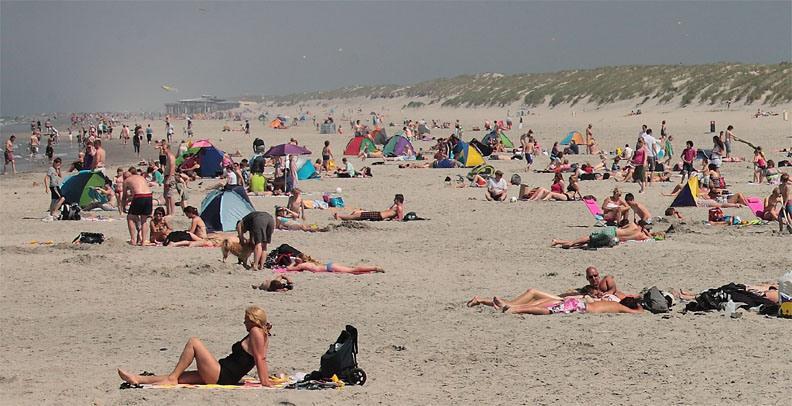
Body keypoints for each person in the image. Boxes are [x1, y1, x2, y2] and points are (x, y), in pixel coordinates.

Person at [117, 306, 273, 387]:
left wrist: (264, 381)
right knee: (181, 378)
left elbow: (260, 358)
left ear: (254, 320)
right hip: (222, 373)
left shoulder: (255, 332)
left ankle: (171, 378)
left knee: (194, 342)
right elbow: (259, 356)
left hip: (223, 375)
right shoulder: (261, 332)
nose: (244, 322)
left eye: (246, 319)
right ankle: (137, 378)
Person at [550, 219, 654, 249]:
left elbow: (620, 228)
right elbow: (651, 238)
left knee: (589, 238)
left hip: (612, 231)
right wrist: (645, 232)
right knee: (589, 242)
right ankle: (561, 242)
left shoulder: (632, 224)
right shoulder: (641, 235)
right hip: (613, 239)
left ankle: (569, 243)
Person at [496, 296, 644, 315]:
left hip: (579, 303)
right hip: (580, 307)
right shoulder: (620, 308)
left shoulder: (612, 302)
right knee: (547, 311)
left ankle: (511, 306)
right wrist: (639, 305)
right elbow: (640, 313)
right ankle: (514, 309)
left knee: (548, 305)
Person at [121, 167, 153, 246]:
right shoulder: (141, 177)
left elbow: (124, 196)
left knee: (130, 217)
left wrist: (123, 206)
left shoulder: (126, 181)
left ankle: (133, 240)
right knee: (144, 219)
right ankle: (144, 241)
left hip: (139, 196)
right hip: (149, 196)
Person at [282, 254, 384, 274]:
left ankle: (374, 268)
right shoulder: (308, 263)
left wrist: (293, 263)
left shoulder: (302, 265)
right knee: (352, 271)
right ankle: (370, 271)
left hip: (330, 268)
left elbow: (288, 269)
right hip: (329, 266)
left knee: (353, 270)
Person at [334, 194, 405, 221]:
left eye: (395, 199)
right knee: (359, 213)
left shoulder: (399, 207)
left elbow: (400, 218)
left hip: (379, 216)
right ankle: (343, 216)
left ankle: (340, 216)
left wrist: (394, 219)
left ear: (398, 200)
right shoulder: (397, 206)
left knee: (359, 216)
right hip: (378, 215)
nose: (393, 200)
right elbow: (391, 212)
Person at [162, 142, 177, 216]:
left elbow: (172, 168)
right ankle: (168, 211)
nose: (163, 150)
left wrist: (169, 179)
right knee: (166, 195)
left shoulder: (171, 157)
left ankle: (172, 212)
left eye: (164, 149)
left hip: (170, 177)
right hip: (166, 176)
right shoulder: (167, 156)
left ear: (168, 148)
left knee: (170, 195)